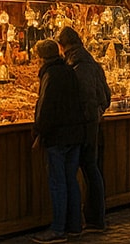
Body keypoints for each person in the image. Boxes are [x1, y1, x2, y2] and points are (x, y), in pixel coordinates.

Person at [30, 39, 86, 244]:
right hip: (75, 133)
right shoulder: (69, 71)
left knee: (58, 182)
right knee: (71, 179)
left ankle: (58, 228)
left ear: (42, 57)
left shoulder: (51, 75)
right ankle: (75, 225)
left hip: (58, 136)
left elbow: (46, 108)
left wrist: (38, 132)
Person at [58, 27, 112, 233]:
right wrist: (98, 113)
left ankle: (87, 220)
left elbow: (83, 98)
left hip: (83, 128)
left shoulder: (76, 66)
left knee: (85, 170)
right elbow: (106, 96)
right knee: (92, 169)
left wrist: (88, 119)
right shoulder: (92, 64)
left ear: (63, 46)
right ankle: (94, 218)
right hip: (92, 126)